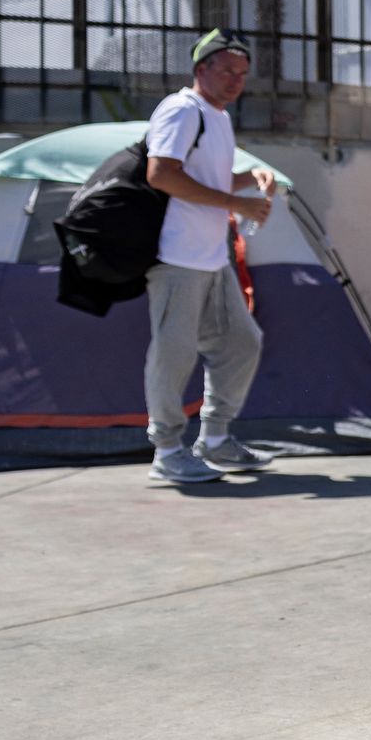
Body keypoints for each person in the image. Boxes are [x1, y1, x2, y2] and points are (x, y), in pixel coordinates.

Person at [139, 27, 278, 484]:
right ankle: (166, 452)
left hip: (211, 259)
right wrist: (235, 204)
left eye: (242, 73)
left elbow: (206, 179)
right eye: (226, 71)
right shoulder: (182, 110)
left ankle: (215, 440)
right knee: (173, 355)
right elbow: (161, 175)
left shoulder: (217, 117)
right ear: (201, 69)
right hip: (176, 258)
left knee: (241, 342)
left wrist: (246, 177)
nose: (236, 80)